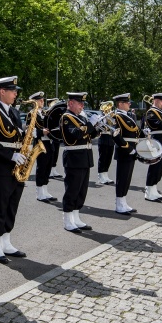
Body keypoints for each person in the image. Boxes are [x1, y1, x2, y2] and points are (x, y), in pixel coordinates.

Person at [0, 76, 27, 264]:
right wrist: (11, 155)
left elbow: (17, 136)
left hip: (17, 165)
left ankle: (7, 241)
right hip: (0, 166)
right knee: (0, 205)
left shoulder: (14, 112)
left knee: (12, 204)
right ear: (2, 92)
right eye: (13, 90)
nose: (16, 94)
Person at [61, 92, 99, 233]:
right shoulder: (66, 118)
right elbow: (75, 135)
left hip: (85, 157)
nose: (82, 105)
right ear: (71, 103)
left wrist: (97, 125)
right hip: (74, 158)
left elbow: (91, 135)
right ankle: (67, 220)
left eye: (83, 103)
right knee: (72, 190)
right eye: (79, 103)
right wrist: (90, 124)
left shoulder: (80, 117)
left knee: (81, 191)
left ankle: (76, 217)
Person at [110, 94, 141, 215]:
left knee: (127, 178)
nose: (129, 104)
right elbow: (115, 135)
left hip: (131, 149)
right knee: (122, 178)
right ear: (120, 104)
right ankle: (119, 204)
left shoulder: (127, 116)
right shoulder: (116, 116)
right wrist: (128, 148)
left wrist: (144, 132)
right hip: (124, 150)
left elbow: (135, 132)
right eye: (127, 102)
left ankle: (123, 201)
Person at [26, 91, 56, 202]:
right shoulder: (31, 114)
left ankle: (45, 190)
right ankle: (39, 192)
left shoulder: (45, 113)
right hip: (40, 142)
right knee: (41, 167)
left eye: (42, 100)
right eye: (40, 100)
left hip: (49, 142)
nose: (42, 102)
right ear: (34, 102)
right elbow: (30, 130)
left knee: (48, 167)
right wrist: (41, 132)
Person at [96, 103, 115, 185]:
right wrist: (105, 119)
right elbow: (99, 128)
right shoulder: (101, 117)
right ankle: (101, 175)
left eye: (109, 109)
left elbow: (114, 126)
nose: (108, 110)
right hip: (103, 138)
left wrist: (110, 118)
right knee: (102, 158)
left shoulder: (111, 117)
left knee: (108, 158)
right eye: (107, 109)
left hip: (110, 138)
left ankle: (105, 174)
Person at [47, 97, 63, 178]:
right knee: (50, 154)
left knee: (56, 153)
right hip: (48, 137)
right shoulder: (47, 113)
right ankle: (49, 170)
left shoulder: (56, 113)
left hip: (55, 136)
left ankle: (54, 169)